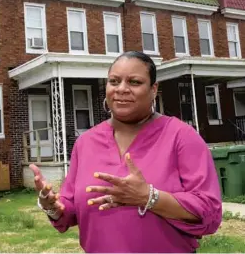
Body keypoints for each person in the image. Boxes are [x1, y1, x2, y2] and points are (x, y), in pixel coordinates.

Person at [30, 51, 222, 253]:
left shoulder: (180, 136)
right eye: (114, 81)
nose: (122, 89)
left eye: (134, 82)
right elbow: (70, 210)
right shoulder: (86, 143)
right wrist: (52, 206)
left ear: (153, 89)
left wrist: (149, 197)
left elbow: (209, 211)